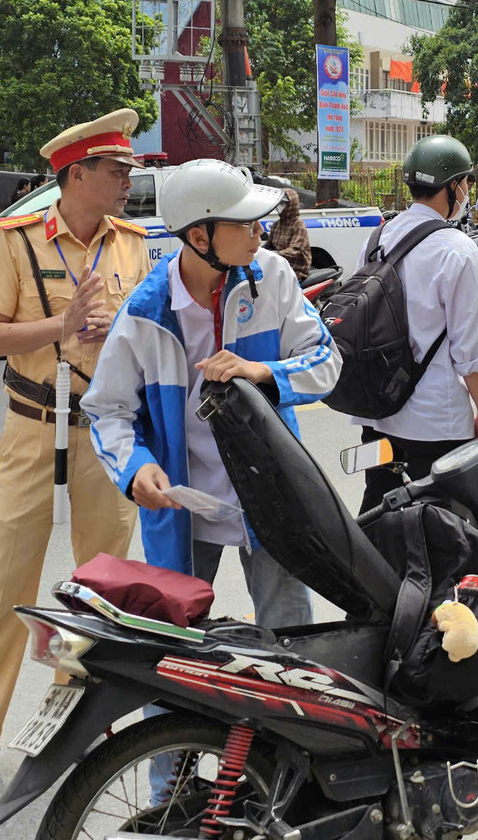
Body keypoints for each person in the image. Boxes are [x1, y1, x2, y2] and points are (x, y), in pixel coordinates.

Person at [0, 110, 150, 804]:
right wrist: (63, 323)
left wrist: (126, 327)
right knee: (4, 585)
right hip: (32, 428)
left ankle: (70, 726)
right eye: (116, 171)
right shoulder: (13, 240)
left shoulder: (133, 243)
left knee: (100, 588)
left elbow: (149, 328)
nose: (126, 182)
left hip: (106, 435)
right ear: (75, 174)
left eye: (128, 172)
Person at [88, 159, 340, 627]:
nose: (259, 232)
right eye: (243, 223)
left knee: (292, 644)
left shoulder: (272, 277)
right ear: (199, 238)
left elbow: (327, 361)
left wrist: (262, 370)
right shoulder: (146, 313)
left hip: (271, 496)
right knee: (172, 644)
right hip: (182, 503)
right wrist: (136, 468)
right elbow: (107, 410)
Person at [349, 136, 478, 508]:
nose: (465, 191)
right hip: (436, 421)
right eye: (464, 183)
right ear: (451, 187)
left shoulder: (378, 237)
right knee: (447, 523)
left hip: (377, 414)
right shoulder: (457, 249)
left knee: (380, 510)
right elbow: (469, 352)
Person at [265, 188, 314, 278]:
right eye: (279, 203)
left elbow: (296, 250)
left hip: (296, 270)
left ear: (291, 204)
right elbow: (269, 245)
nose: (280, 206)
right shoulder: (276, 225)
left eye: (283, 203)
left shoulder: (298, 225)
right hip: (280, 267)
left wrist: (276, 254)